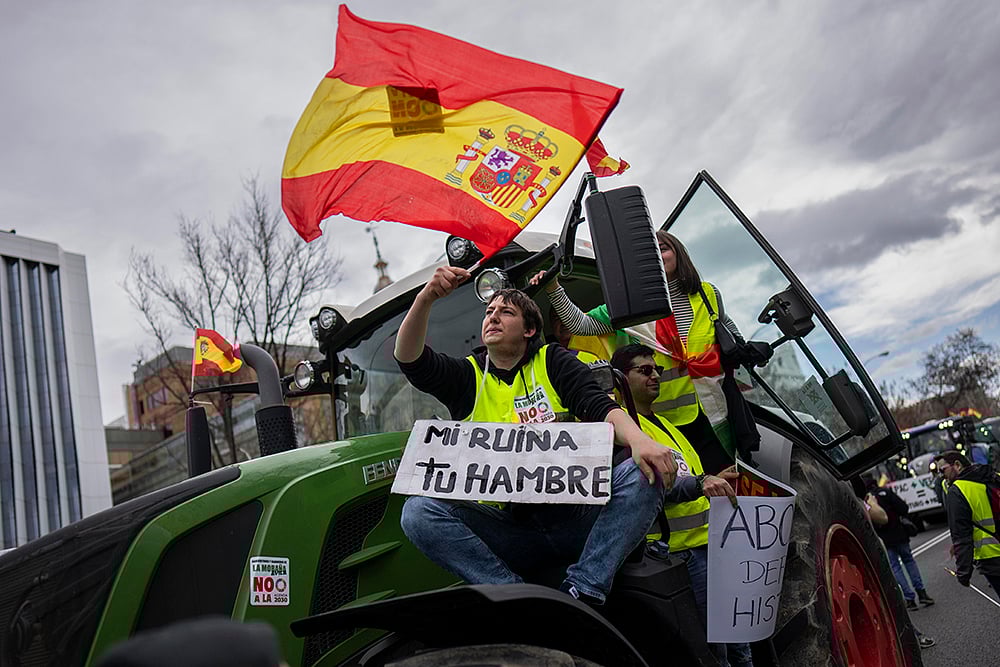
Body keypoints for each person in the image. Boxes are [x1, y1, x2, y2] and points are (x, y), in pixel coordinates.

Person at [394, 266, 679, 605]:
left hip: (579, 519)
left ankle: (584, 590)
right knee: (416, 513)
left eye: (506, 312)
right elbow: (410, 359)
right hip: (512, 529)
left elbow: (597, 405)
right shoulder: (467, 376)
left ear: (530, 329)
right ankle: (512, 597)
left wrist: (639, 441)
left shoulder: (552, 360)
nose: (493, 317)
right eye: (488, 312)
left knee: (641, 472)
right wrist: (426, 299)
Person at [537, 231, 747, 475]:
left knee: (731, 481)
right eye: (649, 253)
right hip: (667, 421)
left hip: (718, 411)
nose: (658, 255)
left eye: (663, 248)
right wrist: (553, 288)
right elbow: (581, 325)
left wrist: (742, 347)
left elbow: (724, 324)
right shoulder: (631, 303)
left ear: (678, 252)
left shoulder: (707, 293)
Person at [610, 343, 750, 667]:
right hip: (681, 556)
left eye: (656, 369)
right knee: (718, 654)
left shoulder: (666, 426)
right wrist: (703, 483)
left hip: (707, 548)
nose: (655, 375)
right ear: (620, 380)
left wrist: (713, 477)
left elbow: (685, 476)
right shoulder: (625, 435)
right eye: (645, 370)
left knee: (739, 647)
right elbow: (652, 486)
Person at [850, 478, 936, 650]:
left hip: (880, 545)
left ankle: (910, 599)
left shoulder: (856, 502)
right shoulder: (868, 500)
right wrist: (870, 504)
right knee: (904, 568)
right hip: (894, 538)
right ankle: (920, 595)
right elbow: (886, 515)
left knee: (896, 570)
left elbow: (882, 518)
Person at [934, 450, 1000, 599]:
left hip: (992, 554)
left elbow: (962, 535)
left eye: (942, 470)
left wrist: (964, 571)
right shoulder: (994, 476)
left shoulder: (958, 491)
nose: (940, 475)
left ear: (957, 465)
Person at [868, 480, 935, 610]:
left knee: (895, 567)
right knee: (909, 561)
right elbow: (903, 508)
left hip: (884, 539)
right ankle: (922, 593)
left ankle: (909, 599)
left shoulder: (865, 501)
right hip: (899, 534)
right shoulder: (886, 493)